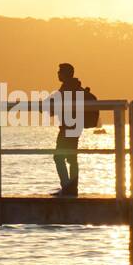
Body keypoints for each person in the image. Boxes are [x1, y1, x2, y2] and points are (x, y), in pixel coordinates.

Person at [51, 62, 84, 196]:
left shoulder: (67, 88)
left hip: (67, 127)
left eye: (60, 71)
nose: (58, 73)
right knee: (71, 159)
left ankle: (67, 187)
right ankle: (72, 188)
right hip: (75, 126)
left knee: (59, 157)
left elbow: (56, 104)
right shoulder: (75, 86)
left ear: (65, 74)